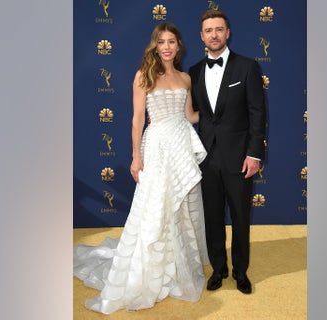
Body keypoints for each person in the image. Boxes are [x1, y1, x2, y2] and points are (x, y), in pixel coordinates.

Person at [73, 22, 209, 314]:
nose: (167, 47)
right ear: (155, 46)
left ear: (179, 45)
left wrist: (221, 110)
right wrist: (136, 156)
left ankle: (176, 267)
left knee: (181, 205)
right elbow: (137, 120)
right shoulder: (143, 76)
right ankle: (150, 268)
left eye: (172, 41)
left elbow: (190, 116)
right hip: (157, 147)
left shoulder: (186, 79)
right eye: (162, 42)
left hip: (180, 146)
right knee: (156, 207)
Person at [189, 9, 267, 295]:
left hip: (239, 158)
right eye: (208, 30)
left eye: (219, 29)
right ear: (202, 36)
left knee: (241, 217)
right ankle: (218, 269)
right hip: (206, 158)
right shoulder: (195, 71)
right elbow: (195, 114)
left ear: (227, 32)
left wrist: (254, 154)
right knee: (212, 217)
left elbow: (257, 113)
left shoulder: (247, 67)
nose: (214, 35)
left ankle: (240, 271)